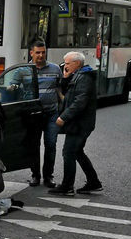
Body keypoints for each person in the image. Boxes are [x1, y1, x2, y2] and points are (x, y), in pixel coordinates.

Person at [49, 51, 103, 196]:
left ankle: (67, 186)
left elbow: (80, 102)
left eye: (67, 63)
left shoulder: (84, 78)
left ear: (77, 64)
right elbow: (69, 92)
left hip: (80, 125)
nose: (64, 66)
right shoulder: (78, 75)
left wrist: (63, 117)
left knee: (69, 152)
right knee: (77, 152)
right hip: (79, 124)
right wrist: (66, 78)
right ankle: (93, 182)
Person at [26, 40, 62, 188]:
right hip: (33, 115)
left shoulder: (55, 69)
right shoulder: (24, 70)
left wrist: (65, 109)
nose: (41, 55)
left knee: (51, 144)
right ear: (31, 53)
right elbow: (13, 89)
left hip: (51, 114)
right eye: (38, 52)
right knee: (34, 145)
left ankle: (48, 176)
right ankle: (35, 175)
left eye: (43, 52)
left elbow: (60, 90)